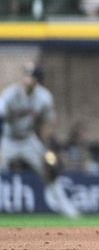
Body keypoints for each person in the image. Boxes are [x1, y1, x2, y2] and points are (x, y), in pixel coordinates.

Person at [0, 63, 81, 218]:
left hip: (28, 140)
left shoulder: (44, 97)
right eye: (26, 75)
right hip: (8, 139)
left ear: (38, 80)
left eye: (30, 76)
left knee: (49, 171)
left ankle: (68, 211)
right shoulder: (10, 94)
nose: (26, 79)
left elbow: (47, 124)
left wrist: (47, 147)